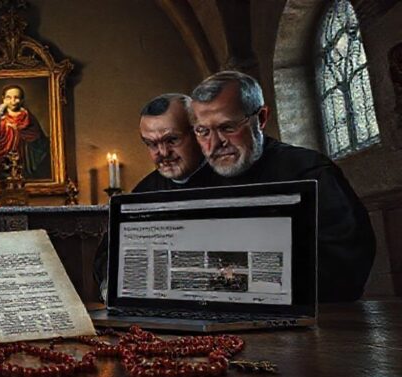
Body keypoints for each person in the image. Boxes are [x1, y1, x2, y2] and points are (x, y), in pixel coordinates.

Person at [190, 70, 375, 302]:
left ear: (262, 118)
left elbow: (347, 264)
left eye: (228, 127)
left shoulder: (311, 171)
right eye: (203, 131)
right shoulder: (198, 182)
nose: (215, 143)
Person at [93, 93, 213, 302]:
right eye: (151, 144)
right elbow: (107, 257)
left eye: (172, 140)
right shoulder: (143, 193)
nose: (162, 153)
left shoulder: (230, 178)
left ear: (198, 133)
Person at [0, 85, 50, 180]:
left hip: (22, 156)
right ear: (3, 99)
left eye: (16, 98)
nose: (12, 101)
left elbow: (37, 137)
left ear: (22, 100)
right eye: (8, 97)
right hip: (0, 154)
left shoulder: (28, 117)